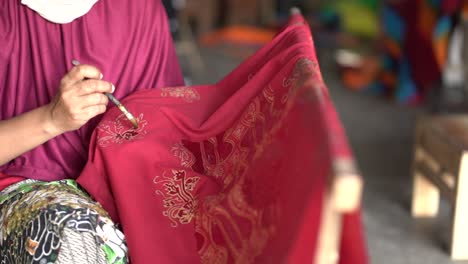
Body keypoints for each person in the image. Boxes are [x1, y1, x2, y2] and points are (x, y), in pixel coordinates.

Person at [0, 0, 184, 263]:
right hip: (20, 190)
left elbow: (166, 138)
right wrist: (51, 119)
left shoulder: (140, 7)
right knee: (73, 233)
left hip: (125, 188)